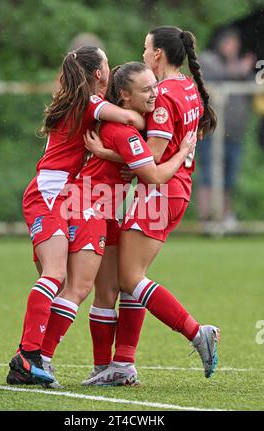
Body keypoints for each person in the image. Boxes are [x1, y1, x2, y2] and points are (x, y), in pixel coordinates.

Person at [36, 61, 197, 388]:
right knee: (78, 288)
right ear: (124, 95)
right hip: (87, 206)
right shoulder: (123, 130)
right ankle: (40, 357)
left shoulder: (130, 126)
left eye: (155, 86)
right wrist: (181, 153)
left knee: (108, 290)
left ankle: (103, 368)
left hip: (103, 207)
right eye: (147, 90)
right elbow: (153, 176)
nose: (155, 94)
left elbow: (134, 136)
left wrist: (110, 153)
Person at [81, 26, 220, 386]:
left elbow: (152, 162)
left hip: (160, 192)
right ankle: (123, 364)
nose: (143, 54)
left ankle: (195, 332)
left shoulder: (164, 97)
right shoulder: (188, 85)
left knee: (129, 277)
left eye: (146, 48)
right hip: (174, 191)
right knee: (130, 280)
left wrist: (103, 152)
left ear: (158, 54)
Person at [6, 45, 146, 387]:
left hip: (59, 195)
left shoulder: (74, 99)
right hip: (51, 194)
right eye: (107, 65)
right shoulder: (91, 103)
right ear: (98, 74)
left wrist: (110, 157)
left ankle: (32, 358)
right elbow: (133, 118)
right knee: (55, 276)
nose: (110, 70)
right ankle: (28, 356)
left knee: (69, 283)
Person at [197, 28, 254, 227]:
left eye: (235, 43)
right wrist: (238, 69)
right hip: (211, 132)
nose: (233, 47)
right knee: (209, 174)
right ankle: (206, 218)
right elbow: (217, 77)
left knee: (229, 177)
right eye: (230, 43)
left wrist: (243, 70)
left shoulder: (238, 67)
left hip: (234, 133)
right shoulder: (208, 60)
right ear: (220, 43)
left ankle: (225, 215)